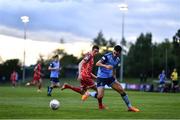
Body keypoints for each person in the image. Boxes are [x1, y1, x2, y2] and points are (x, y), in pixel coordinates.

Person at [92, 45, 140, 112]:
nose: (115, 54)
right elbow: (97, 63)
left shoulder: (117, 60)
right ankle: (89, 94)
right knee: (100, 96)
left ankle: (130, 107)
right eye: (114, 53)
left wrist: (115, 78)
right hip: (101, 77)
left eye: (117, 54)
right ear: (113, 50)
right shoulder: (107, 56)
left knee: (121, 90)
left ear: (119, 53)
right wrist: (106, 66)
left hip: (110, 78)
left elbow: (114, 69)